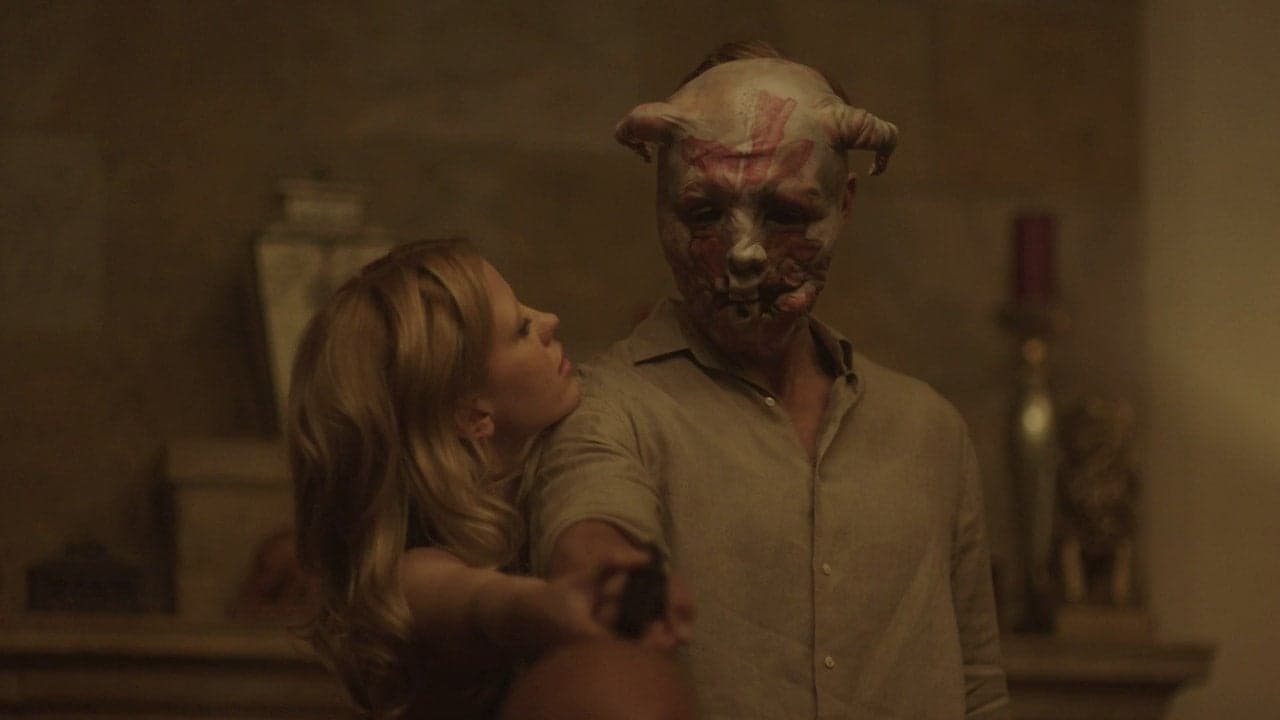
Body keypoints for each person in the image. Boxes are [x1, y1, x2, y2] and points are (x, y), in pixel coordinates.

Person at [529, 42, 1011, 719]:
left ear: (844, 202)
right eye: (705, 213)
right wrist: (606, 573)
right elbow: (590, 513)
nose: (745, 253)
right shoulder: (608, 409)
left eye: (786, 214)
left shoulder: (928, 430)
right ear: (661, 206)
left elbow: (979, 686)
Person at [287, 239, 694, 720]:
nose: (550, 320)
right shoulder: (414, 571)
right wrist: (546, 605)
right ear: (471, 413)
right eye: (521, 330)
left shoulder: (548, 472)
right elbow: (479, 602)